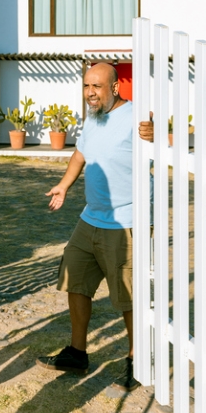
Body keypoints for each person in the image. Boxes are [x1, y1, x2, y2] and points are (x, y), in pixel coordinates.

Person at [37, 62, 154, 391]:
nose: (90, 92)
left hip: (126, 220)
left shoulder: (135, 118)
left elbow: (160, 151)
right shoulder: (93, 118)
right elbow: (80, 153)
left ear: (114, 88)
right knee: (75, 277)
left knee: (128, 296)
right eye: (87, 86)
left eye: (97, 86)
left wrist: (156, 136)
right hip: (92, 216)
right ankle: (77, 352)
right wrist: (64, 185)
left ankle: (137, 360)